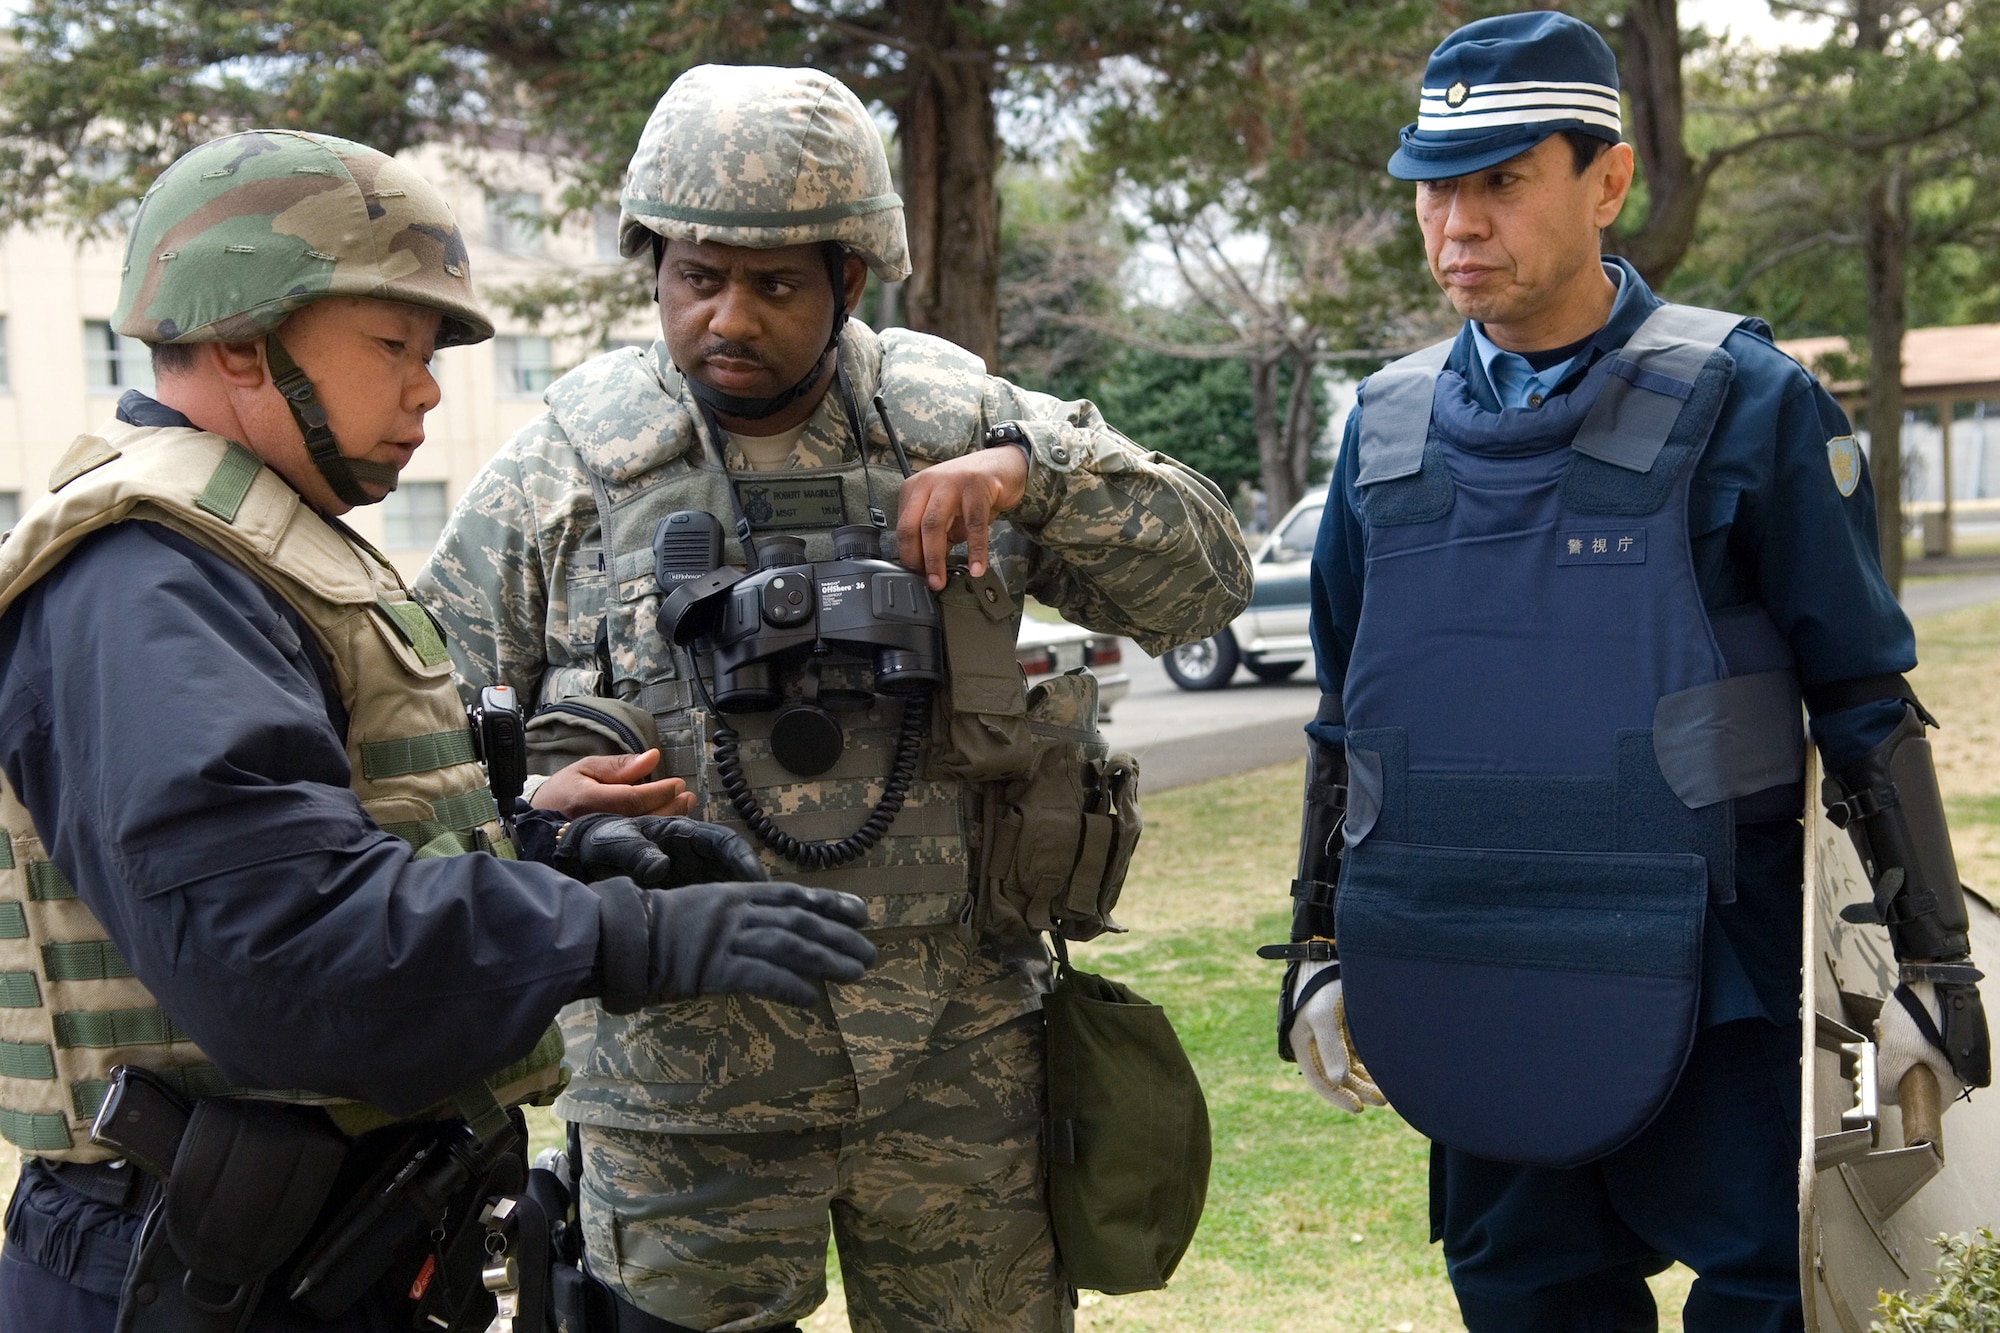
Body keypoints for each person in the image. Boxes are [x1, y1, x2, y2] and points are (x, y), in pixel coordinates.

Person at [417, 64, 1251, 1333]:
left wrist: (1034, 474)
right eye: (698, 277)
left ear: (849, 280)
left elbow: (1205, 581)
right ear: (653, 269)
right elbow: (416, 727)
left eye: (775, 284)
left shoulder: (956, 418)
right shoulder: (565, 469)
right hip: (679, 1086)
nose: (727, 317)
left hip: (959, 1068)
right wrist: (536, 796)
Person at [0, 128, 879, 1333]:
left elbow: (305, 840)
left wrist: (536, 847)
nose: (426, 386)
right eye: (393, 346)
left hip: (308, 1242)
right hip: (200, 1260)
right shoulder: (150, 577)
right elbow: (278, 949)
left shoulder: (245, 539)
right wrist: (616, 935)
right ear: (249, 340)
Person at [1268, 12, 1991, 1332]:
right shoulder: (1388, 432)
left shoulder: (1750, 404)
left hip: (1715, 974)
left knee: (1771, 1291)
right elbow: (1346, 726)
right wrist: (1319, 949)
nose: (1458, 223)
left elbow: (1866, 698)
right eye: (1437, 185)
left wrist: (1929, 968)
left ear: (1608, 182)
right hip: (1467, 968)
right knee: (1523, 1292)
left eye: (1501, 180)